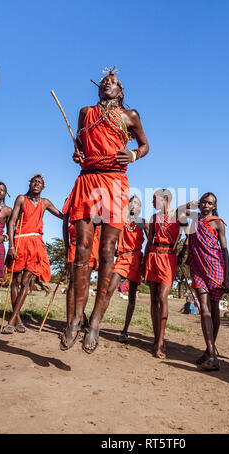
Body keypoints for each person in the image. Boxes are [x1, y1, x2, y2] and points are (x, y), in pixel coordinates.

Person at [62, 68, 149, 353]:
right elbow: (79, 142)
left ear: (120, 92)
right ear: (99, 90)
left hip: (114, 182)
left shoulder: (130, 116)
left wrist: (134, 154)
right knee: (82, 250)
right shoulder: (85, 112)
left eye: (113, 82)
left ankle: (96, 321)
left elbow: (145, 145)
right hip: (88, 180)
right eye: (104, 82)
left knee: (108, 252)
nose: (108, 84)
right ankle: (75, 318)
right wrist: (77, 153)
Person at [2, 174, 63, 334]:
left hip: (36, 244)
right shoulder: (21, 199)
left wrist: (73, 208)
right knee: (15, 281)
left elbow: (62, 215)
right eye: (34, 181)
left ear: (43, 187)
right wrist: (11, 246)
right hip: (19, 241)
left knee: (26, 281)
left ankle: (11, 320)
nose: (36, 184)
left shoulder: (45, 203)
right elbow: (12, 221)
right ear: (30, 184)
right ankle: (18, 320)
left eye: (40, 182)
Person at [183, 192, 229, 371]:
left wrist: (227, 277)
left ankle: (209, 350)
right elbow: (178, 211)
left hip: (215, 267)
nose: (205, 205)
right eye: (203, 202)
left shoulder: (218, 223)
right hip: (197, 268)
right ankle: (211, 353)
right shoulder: (194, 218)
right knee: (204, 308)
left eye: (209, 203)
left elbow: (225, 250)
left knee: (214, 308)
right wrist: (190, 204)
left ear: (214, 206)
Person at [144, 189, 187, 359]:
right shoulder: (154, 218)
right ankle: (157, 339)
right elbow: (149, 240)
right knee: (154, 299)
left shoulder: (178, 216)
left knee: (162, 297)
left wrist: (185, 251)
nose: (152, 202)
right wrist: (143, 263)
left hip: (169, 257)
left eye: (154, 199)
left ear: (165, 199)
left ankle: (160, 342)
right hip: (153, 256)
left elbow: (189, 235)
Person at [99, 195, 148, 343]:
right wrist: (114, 248)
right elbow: (110, 235)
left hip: (136, 259)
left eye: (137, 204)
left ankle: (125, 331)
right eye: (131, 203)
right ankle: (96, 324)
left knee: (132, 297)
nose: (134, 206)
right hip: (122, 258)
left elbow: (150, 242)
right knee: (109, 290)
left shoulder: (143, 223)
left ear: (140, 208)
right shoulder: (120, 220)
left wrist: (145, 262)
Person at [59, 204, 101, 349]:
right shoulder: (73, 200)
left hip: (92, 244)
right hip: (75, 243)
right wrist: (66, 246)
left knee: (86, 282)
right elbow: (65, 225)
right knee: (73, 283)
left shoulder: (99, 203)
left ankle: (80, 321)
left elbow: (100, 228)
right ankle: (70, 322)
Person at [0, 182, 12, 295]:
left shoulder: (8, 210)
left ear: (6, 193)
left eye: (2, 190)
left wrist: (3, 237)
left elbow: (12, 230)